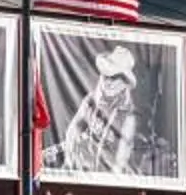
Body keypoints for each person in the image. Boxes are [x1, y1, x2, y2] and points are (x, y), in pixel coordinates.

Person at [56, 44, 143, 176]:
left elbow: (120, 162)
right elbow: (73, 129)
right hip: (81, 171)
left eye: (113, 77)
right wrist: (69, 159)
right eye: (105, 75)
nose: (107, 81)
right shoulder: (91, 100)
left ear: (124, 82)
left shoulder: (129, 117)